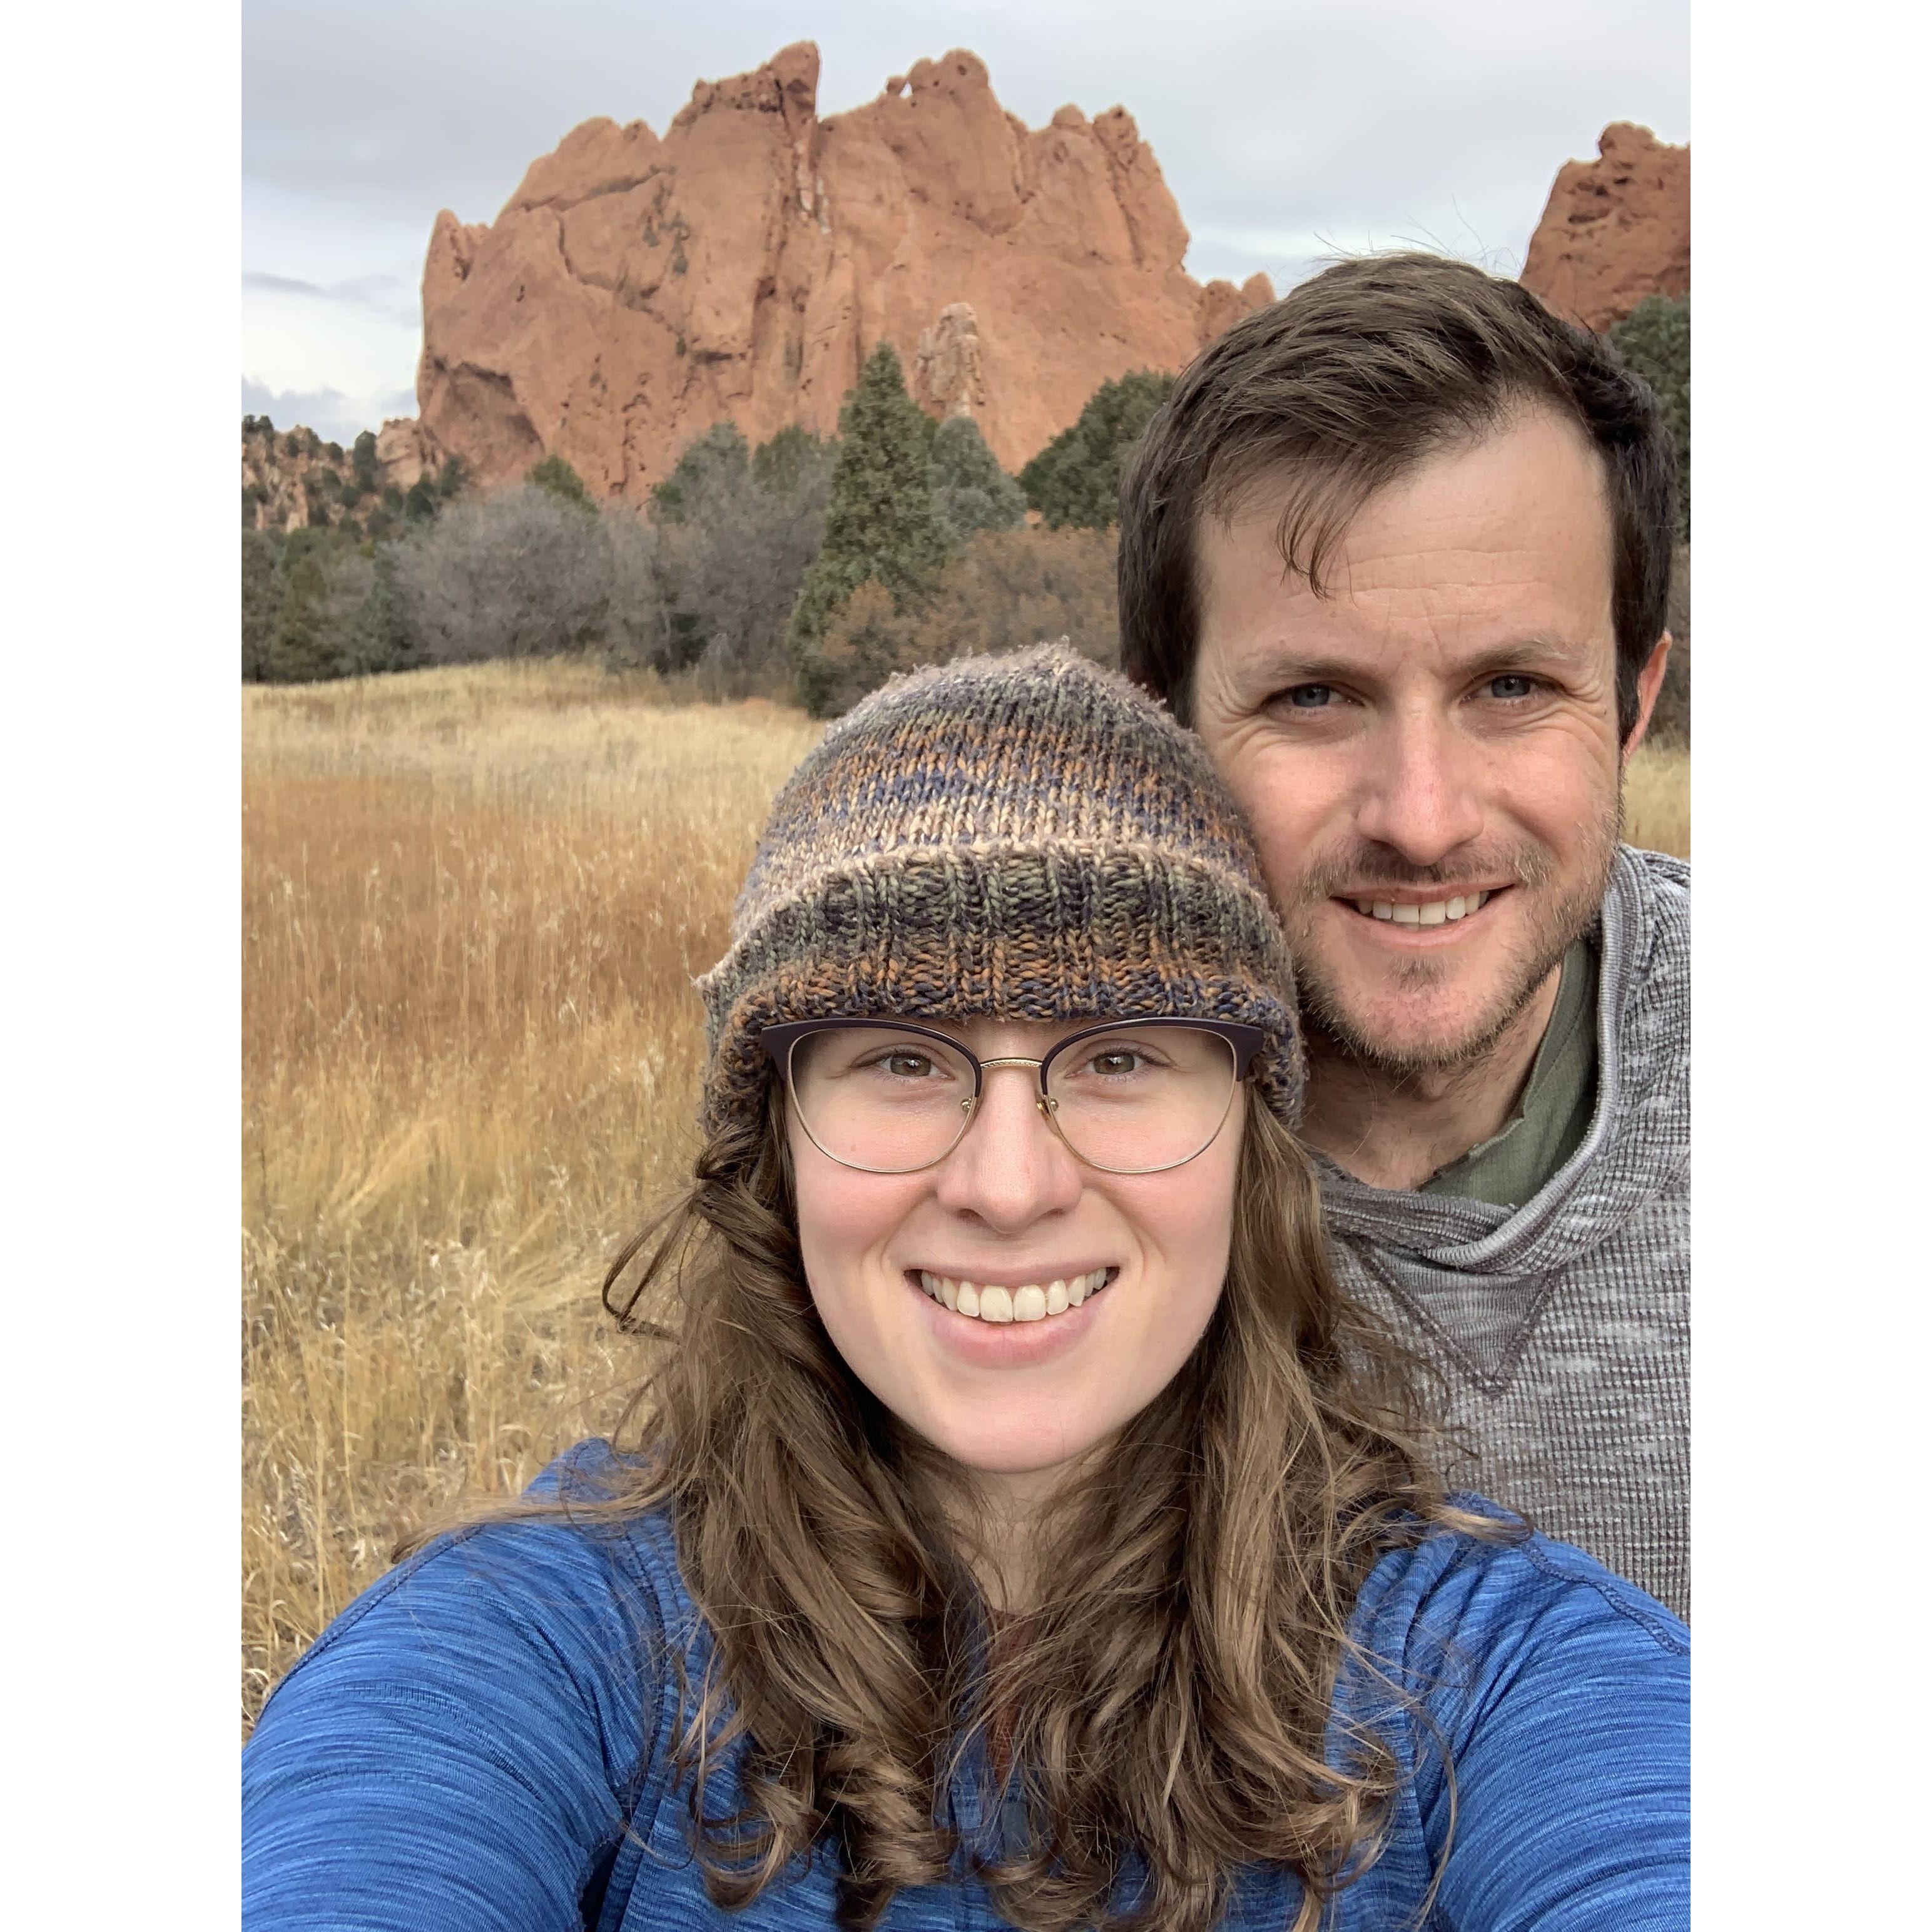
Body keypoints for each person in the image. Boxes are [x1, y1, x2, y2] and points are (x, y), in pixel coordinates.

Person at [243, 647, 1687, 1931]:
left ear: (1251, 1144)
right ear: (773, 1143)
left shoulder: (1495, 1674)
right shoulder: (536, 1639)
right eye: (899, 1057)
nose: (1007, 1181)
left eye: (1119, 1054)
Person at [1117, 254, 1689, 1618]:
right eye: (1315, 695)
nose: (1420, 820)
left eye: (1510, 685)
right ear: (1159, 723)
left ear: (1630, 699)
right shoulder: (1015, 1139)